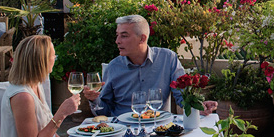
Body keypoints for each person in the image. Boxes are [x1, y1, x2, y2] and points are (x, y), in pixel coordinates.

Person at [83, 15, 217, 117]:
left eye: (124, 36)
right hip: (123, 131)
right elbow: (104, 112)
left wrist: (199, 106)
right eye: (117, 35)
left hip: (159, 129)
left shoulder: (167, 59)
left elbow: (182, 95)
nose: (117, 41)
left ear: (142, 38)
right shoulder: (113, 67)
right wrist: (95, 100)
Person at [1, 34, 80, 137]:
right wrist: (61, 114)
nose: (55, 59)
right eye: (53, 55)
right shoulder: (22, 96)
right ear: (41, 60)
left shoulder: (36, 85)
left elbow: (48, 134)